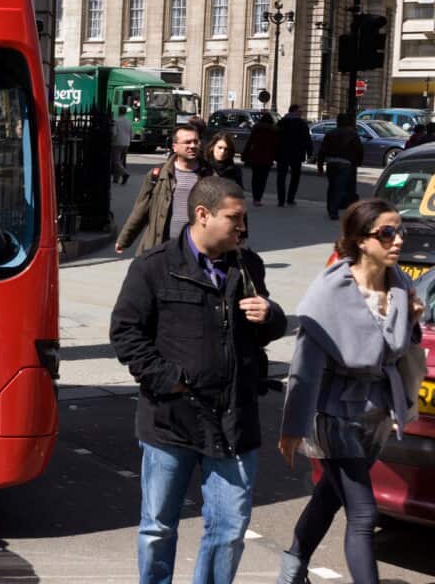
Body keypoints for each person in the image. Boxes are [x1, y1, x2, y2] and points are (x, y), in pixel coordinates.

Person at [110, 175, 287, 584]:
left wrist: (271, 315)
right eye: (234, 218)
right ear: (203, 215)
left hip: (233, 423)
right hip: (171, 421)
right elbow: (125, 332)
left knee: (228, 532)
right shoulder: (154, 267)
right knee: (158, 528)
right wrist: (166, 379)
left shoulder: (248, 265)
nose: (242, 227)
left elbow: (259, 331)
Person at [276, 199, 423, 584]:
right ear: (360, 240)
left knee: (329, 493)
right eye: (387, 233)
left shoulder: (402, 285)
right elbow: (304, 367)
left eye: (400, 231)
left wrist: (414, 322)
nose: (398, 240)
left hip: (377, 410)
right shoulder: (331, 291)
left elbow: (400, 348)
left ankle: (291, 567)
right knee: (363, 514)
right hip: (334, 411)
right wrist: (292, 428)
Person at [116, 124, 213, 256]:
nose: (192, 146)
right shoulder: (157, 175)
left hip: (196, 249)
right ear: (175, 147)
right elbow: (141, 209)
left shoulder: (210, 175)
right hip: (161, 246)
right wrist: (124, 239)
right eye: (187, 142)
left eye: (196, 141)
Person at [317, 113, 364, 221]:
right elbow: (359, 150)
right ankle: (333, 211)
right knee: (340, 187)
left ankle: (330, 208)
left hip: (331, 162)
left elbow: (322, 151)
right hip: (345, 163)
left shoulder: (330, 133)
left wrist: (320, 166)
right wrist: (357, 162)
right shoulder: (353, 134)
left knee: (332, 186)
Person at [275, 104, 313, 207]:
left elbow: (276, 138)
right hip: (296, 153)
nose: (301, 113)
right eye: (299, 111)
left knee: (281, 176)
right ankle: (290, 198)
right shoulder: (301, 123)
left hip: (282, 152)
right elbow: (307, 139)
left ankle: (281, 199)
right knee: (295, 177)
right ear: (294, 111)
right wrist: (310, 152)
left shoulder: (282, 122)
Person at [241, 112, 278, 207]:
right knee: (263, 179)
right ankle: (259, 198)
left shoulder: (257, 128)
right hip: (267, 157)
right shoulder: (273, 131)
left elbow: (250, 142)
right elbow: (275, 145)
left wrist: (245, 154)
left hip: (256, 156)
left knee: (255, 177)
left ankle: (255, 197)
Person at [112, 105, 133, 186]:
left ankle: (124, 174)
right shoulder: (129, 121)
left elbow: (114, 133)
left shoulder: (116, 121)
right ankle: (116, 178)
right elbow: (131, 134)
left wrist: (111, 140)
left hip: (117, 143)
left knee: (115, 161)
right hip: (126, 143)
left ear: (119, 111)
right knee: (121, 161)